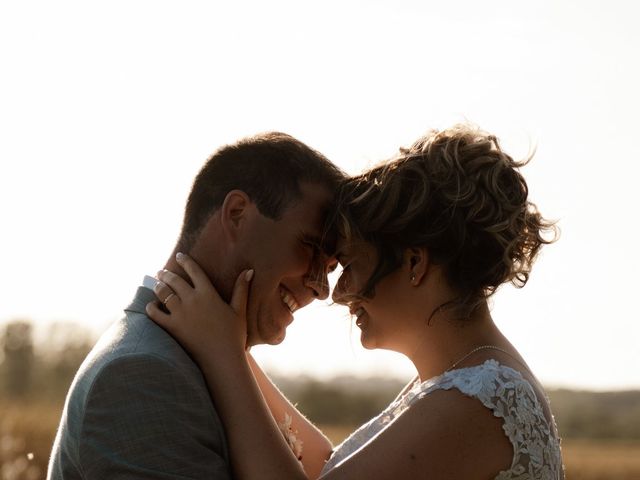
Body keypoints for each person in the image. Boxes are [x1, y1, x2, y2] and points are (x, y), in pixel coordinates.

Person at [148, 124, 564, 479]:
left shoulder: (479, 399)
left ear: (415, 263)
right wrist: (232, 346)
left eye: (349, 264)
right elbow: (329, 465)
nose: (339, 292)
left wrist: (224, 357)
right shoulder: (459, 384)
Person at [47, 132, 345, 479]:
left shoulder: (209, 359)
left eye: (328, 269)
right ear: (236, 214)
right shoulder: (142, 373)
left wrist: (230, 355)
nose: (321, 289)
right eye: (309, 247)